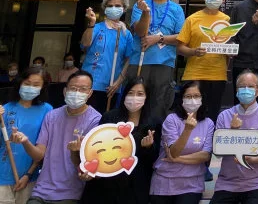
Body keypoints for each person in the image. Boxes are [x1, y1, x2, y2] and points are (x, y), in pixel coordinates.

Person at [21, 70, 101, 204]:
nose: (77, 93)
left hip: (70, 193)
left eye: (83, 89)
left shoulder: (95, 120)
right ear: (65, 91)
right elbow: (39, 154)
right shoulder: (52, 116)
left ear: (90, 93)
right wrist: (25, 142)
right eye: (73, 88)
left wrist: (75, 152)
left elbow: (88, 163)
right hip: (41, 190)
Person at [81, 77, 161, 204]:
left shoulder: (153, 122)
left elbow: (155, 159)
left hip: (134, 187)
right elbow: (96, 148)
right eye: (130, 93)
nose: (134, 97)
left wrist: (148, 147)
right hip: (105, 184)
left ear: (147, 97)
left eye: (140, 94)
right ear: (124, 95)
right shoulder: (109, 117)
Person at [211, 70, 258, 204]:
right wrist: (232, 131)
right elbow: (217, 153)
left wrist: (256, 159)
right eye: (242, 86)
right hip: (227, 182)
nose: (246, 90)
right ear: (236, 90)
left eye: (251, 86)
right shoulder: (224, 116)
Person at [128, 0, 186, 120]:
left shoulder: (177, 9)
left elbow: (181, 37)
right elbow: (140, 32)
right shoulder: (140, 5)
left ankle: (154, 139)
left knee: (158, 105)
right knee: (135, 103)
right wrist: (146, 13)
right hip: (139, 61)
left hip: (164, 63)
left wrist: (158, 39)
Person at [149, 81, 215, 204]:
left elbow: (205, 155)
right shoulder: (171, 119)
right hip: (165, 181)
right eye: (188, 96)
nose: (192, 100)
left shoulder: (208, 123)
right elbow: (174, 152)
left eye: (196, 96)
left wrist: (177, 160)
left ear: (202, 99)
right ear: (181, 99)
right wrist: (187, 130)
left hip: (192, 183)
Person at [176, 0, 230, 121]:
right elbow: (180, 47)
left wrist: (231, 51)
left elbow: (231, 48)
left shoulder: (227, 21)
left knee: (211, 115)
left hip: (218, 76)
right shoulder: (192, 19)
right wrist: (193, 51)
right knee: (189, 115)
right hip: (194, 75)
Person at [0, 69, 52, 203]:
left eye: (36, 85)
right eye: (27, 83)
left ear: (42, 87)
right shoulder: (6, 108)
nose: (30, 88)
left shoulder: (48, 110)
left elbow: (43, 148)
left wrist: (28, 175)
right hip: (2, 174)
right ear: (20, 83)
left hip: (29, 176)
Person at [81, 0, 135, 112]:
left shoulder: (126, 34)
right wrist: (91, 24)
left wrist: (119, 81)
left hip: (112, 86)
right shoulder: (97, 27)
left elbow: (129, 59)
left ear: (124, 9)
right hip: (89, 83)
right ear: (105, 9)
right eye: (110, 6)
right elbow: (85, 44)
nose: (113, 8)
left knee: (105, 120)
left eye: (117, 5)